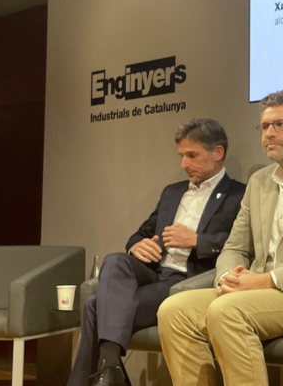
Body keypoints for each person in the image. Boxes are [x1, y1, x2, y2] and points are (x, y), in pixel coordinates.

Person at [156, 89, 283, 386]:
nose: (269, 133)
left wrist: (268, 280)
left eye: (280, 124)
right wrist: (228, 276)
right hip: (252, 289)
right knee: (173, 311)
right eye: (265, 126)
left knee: (226, 312)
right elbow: (235, 246)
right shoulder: (259, 181)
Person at [71, 119, 246, 386]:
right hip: (156, 272)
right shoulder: (172, 193)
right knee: (115, 260)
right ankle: (111, 370)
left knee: (95, 305)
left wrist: (197, 241)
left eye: (191, 155)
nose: (183, 164)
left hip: (189, 281)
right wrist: (136, 245)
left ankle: (108, 369)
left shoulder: (238, 195)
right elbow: (141, 233)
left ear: (217, 153)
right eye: (182, 156)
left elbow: (242, 245)